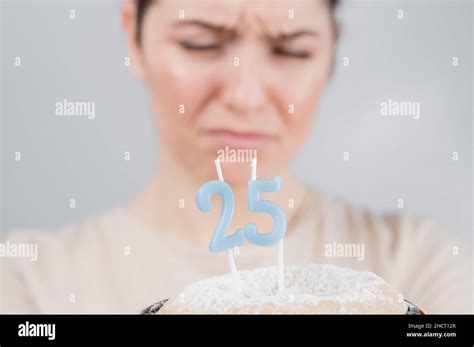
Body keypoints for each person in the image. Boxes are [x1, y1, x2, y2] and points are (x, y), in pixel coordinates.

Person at [1, 0, 471, 314]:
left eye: (293, 50)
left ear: (330, 52)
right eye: (200, 44)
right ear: (133, 38)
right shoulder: (26, 280)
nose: (246, 96)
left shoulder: (422, 261)